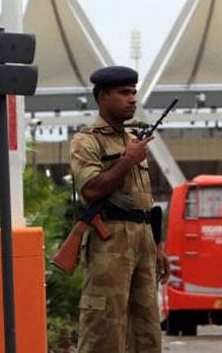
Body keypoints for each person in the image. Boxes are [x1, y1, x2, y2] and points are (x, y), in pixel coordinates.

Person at [69, 65, 169, 353]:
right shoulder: (87, 140)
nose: (132, 98)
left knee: (147, 330)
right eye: (124, 93)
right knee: (104, 328)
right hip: (109, 238)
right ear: (103, 97)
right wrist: (127, 160)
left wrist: (157, 246)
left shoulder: (132, 138)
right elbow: (92, 190)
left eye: (134, 92)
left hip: (142, 240)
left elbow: (144, 202)